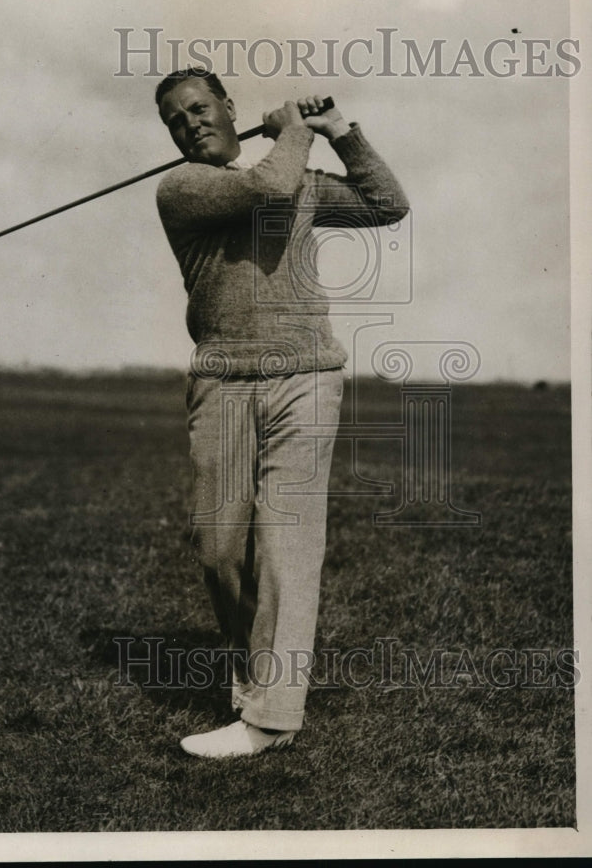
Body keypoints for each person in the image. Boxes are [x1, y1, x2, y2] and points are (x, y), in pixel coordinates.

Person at [155, 67, 409, 758]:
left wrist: (340, 133)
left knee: (285, 549)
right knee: (218, 551)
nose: (191, 124)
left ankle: (270, 717)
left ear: (228, 108)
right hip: (223, 383)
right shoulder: (184, 188)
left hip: (306, 378)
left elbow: (385, 203)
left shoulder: (291, 172)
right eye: (175, 120)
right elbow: (264, 185)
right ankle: (251, 684)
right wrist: (293, 129)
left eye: (200, 108)